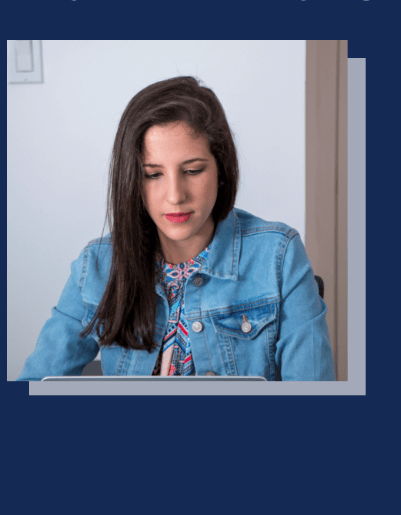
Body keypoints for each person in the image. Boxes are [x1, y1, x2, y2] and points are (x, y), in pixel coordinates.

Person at [18, 76, 335, 381]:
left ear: (221, 169)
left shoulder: (278, 255)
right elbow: (36, 382)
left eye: (193, 170)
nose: (175, 196)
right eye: (153, 174)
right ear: (132, 180)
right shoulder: (97, 265)